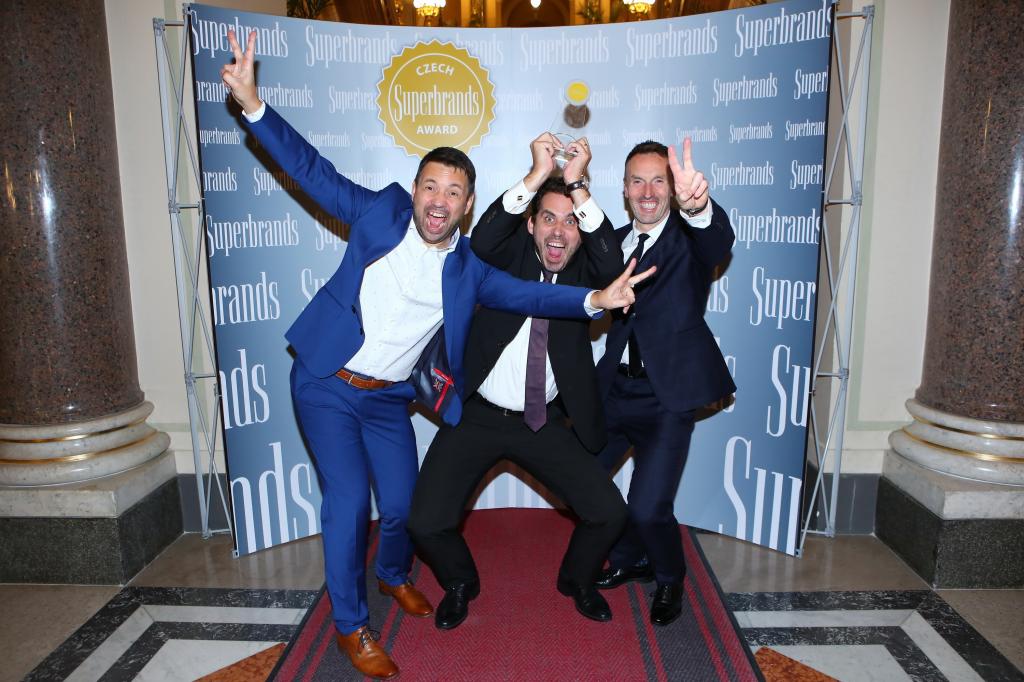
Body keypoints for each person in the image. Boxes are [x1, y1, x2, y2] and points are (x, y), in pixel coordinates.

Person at [221, 30, 653, 680]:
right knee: (350, 504)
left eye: (453, 192)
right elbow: (312, 171)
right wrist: (253, 105)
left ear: (465, 205)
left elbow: (532, 293)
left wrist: (596, 298)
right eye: (431, 186)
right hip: (327, 381)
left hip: (392, 399)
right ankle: (352, 626)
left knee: (400, 508)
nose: (439, 200)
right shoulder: (380, 214)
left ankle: (394, 574)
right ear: (416, 188)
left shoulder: (468, 267)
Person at [408, 134, 628, 630]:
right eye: (548, 218)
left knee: (609, 513)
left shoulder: (588, 274)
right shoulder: (505, 259)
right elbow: (484, 237)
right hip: (478, 415)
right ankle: (460, 582)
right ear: (531, 224)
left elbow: (613, 266)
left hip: (541, 422)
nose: (558, 231)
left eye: (570, 222)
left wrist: (577, 183)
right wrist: (538, 174)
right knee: (424, 521)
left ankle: (577, 579)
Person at [594, 139, 736, 627]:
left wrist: (698, 208)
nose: (648, 191)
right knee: (581, 482)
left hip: (667, 397)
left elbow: (717, 242)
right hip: (614, 391)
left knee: (649, 506)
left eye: (659, 181)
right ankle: (631, 557)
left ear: (674, 189)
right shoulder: (613, 243)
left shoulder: (688, 238)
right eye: (638, 181)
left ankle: (670, 577)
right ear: (624, 189)